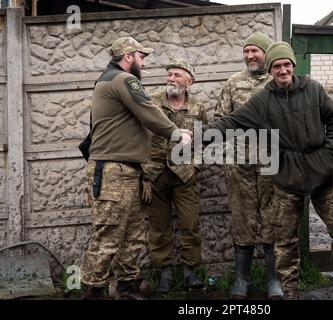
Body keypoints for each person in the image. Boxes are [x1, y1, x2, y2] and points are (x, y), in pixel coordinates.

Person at [202, 42, 333, 299]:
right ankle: (289, 292)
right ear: (270, 70)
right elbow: (230, 122)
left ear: (293, 66)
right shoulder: (263, 101)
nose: (282, 70)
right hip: (288, 176)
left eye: (286, 65)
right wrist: (197, 135)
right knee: (285, 242)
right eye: (277, 66)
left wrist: (330, 154)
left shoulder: (313, 89)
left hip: (322, 174)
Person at [80, 37, 192, 300]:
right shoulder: (124, 80)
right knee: (108, 234)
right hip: (113, 171)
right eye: (142, 57)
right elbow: (148, 111)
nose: (144, 63)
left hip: (128, 171)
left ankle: (128, 287)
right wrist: (176, 134)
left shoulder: (109, 80)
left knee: (132, 235)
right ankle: (94, 291)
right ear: (128, 56)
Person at [215, 32, 283, 299]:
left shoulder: (277, 80)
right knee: (242, 219)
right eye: (246, 51)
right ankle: (241, 280)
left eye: (255, 51)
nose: (249, 56)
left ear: (266, 53)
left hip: (271, 163)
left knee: (272, 219)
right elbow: (220, 118)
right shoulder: (234, 83)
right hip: (239, 164)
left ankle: (273, 280)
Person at [143, 58, 207, 294]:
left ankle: (190, 273)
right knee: (159, 228)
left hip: (184, 176)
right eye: (169, 74)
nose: (171, 78)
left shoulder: (198, 107)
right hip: (156, 175)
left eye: (177, 75)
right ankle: (165, 274)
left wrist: (195, 168)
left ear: (189, 81)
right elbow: (140, 135)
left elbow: (202, 142)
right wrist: (144, 169)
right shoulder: (151, 103)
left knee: (190, 225)